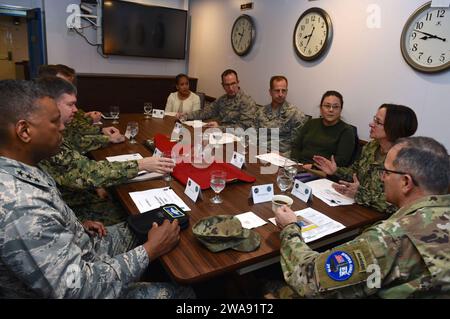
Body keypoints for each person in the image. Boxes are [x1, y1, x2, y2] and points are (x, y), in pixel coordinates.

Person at [0, 79, 194, 298]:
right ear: (24, 131)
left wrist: (73, 225)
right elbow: (77, 288)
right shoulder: (21, 206)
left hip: (85, 244)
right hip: (86, 281)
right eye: (54, 122)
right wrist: (149, 251)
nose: (63, 127)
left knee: (160, 221)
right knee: (184, 293)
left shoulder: (24, 167)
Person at [274, 136, 450, 298]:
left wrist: (290, 228)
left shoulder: (390, 238)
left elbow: (308, 279)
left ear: (405, 182)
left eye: (386, 172)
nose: (382, 178)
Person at [36, 77, 175, 225]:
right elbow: (87, 173)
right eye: (70, 104)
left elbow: (77, 145)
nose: (76, 110)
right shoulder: (46, 139)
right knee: (145, 218)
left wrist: (106, 139)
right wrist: (141, 164)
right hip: (76, 207)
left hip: (74, 199)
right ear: (51, 103)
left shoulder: (51, 131)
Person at [312, 104, 418, 213]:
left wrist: (360, 194)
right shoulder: (371, 146)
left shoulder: (406, 159)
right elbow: (355, 173)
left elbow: (398, 204)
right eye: (374, 119)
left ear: (393, 127)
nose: (371, 124)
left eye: (378, 122)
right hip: (358, 208)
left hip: (382, 220)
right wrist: (336, 171)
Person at [291, 91, 355, 166]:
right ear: (321, 108)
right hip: (299, 166)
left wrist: (314, 167)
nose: (331, 110)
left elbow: (341, 161)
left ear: (340, 110)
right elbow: (296, 147)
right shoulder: (311, 123)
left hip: (322, 172)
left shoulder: (346, 131)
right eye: (327, 106)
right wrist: (296, 163)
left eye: (335, 107)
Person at [180, 69, 257, 130]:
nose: (230, 88)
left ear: (238, 82)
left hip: (239, 140)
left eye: (233, 83)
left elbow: (244, 127)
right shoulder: (222, 99)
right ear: (222, 85)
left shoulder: (247, 101)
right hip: (221, 136)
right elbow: (206, 112)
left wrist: (220, 128)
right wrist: (186, 115)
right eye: (227, 85)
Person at [255, 75, 309, 156]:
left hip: (282, 157)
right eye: (277, 90)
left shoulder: (295, 114)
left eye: (283, 91)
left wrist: (284, 156)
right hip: (260, 153)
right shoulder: (261, 112)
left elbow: (297, 145)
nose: (280, 94)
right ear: (270, 92)